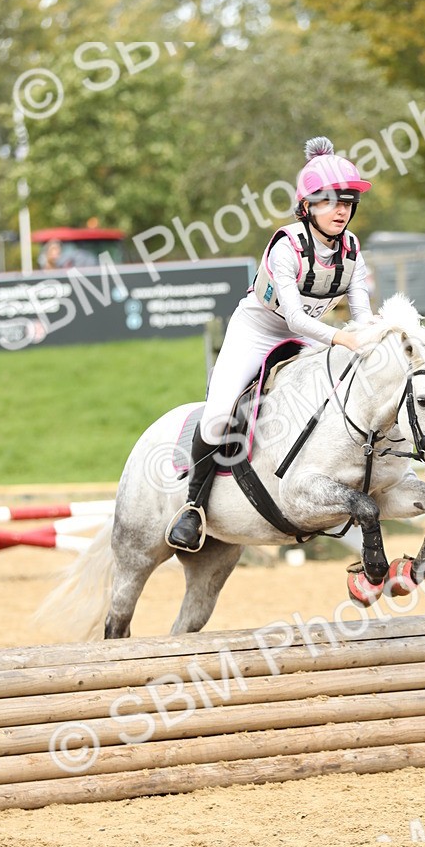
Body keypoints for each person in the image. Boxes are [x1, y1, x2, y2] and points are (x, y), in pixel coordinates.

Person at [165, 136, 375, 553]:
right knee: (219, 416)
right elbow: (295, 315)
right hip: (257, 332)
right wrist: (343, 337)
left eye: (347, 202)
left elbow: (363, 314)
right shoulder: (287, 246)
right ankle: (193, 507)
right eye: (330, 201)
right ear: (306, 207)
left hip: (303, 338)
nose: (341, 210)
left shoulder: (352, 251)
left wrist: (371, 340)